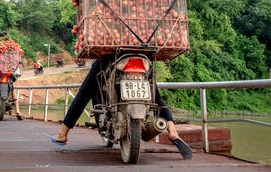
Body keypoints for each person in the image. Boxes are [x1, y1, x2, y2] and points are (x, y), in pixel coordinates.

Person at [51, 55, 192, 160]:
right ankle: (173, 131)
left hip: (111, 56)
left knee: (84, 92)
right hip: (144, 55)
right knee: (155, 96)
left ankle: (62, 134)